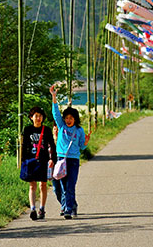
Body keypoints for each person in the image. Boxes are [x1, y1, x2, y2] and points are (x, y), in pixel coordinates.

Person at [50, 83, 91, 219]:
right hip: (61, 159)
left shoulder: (79, 130)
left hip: (73, 161)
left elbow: (81, 147)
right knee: (61, 186)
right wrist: (54, 97)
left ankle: (68, 209)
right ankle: (70, 205)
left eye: (71, 118)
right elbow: (55, 113)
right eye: (66, 118)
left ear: (75, 119)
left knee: (71, 185)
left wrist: (85, 142)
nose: (68, 120)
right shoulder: (61, 126)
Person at [21, 106, 57, 220]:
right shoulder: (27, 130)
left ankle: (42, 208)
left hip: (43, 161)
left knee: (43, 185)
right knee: (32, 185)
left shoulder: (46, 130)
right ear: (31, 117)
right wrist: (23, 161)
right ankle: (32, 208)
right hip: (31, 161)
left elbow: (51, 145)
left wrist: (52, 159)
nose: (38, 118)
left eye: (40, 116)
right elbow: (24, 146)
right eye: (36, 116)